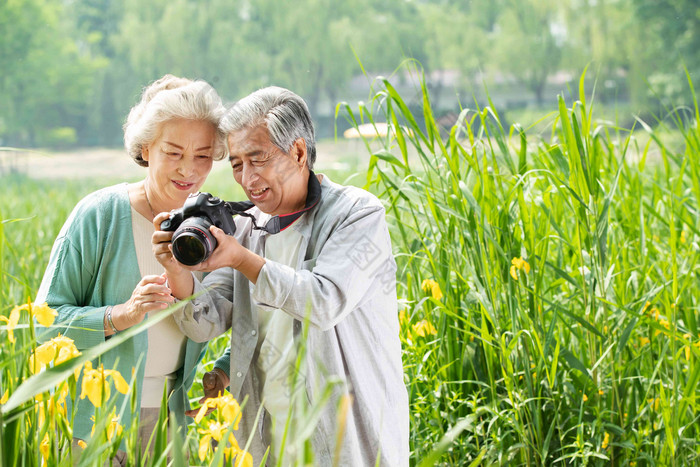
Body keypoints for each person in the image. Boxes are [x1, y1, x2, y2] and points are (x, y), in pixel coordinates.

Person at [153, 86, 409, 466]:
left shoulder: (356, 215)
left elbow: (323, 301)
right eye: (237, 164)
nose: (247, 177)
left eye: (258, 159)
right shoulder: (248, 228)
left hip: (344, 440)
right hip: (268, 439)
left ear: (299, 152)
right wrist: (175, 268)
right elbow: (205, 322)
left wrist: (242, 259)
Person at [35, 74, 227, 464]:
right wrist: (123, 315)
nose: (188, 170)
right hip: (96, 425)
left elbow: (234, 315)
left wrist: (221, 375)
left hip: (172, 427)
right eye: (173, 153)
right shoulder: (99, 215)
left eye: (203, 155)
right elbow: (45, 323)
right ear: (145, 148)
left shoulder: (210, 229)